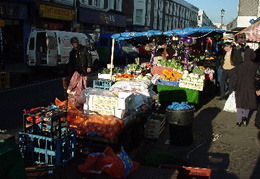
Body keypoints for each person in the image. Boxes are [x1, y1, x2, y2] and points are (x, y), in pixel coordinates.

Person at [233, 48, 257, 127]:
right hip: (251, 86)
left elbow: (235, 78)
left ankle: (238, 120)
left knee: (240, 103)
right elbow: (257, 77)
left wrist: (234, 87)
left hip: (240, 86)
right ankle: (245, 118)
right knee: (248, 102)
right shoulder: (255, 66)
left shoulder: (239, 66)